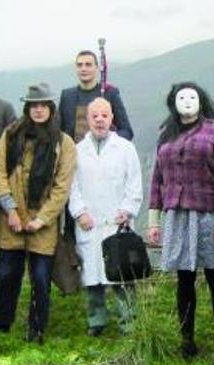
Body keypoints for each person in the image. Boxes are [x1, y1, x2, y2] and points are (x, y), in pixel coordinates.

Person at [147, 82, 214, 358]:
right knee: (184, 278)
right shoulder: (166, 133)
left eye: (192, 96)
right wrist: (153, 220)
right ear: (173, 102)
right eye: (181, 97)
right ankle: (187, 340)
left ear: (201, 100)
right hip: (177, 214)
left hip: (209, 213)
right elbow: (157, 179)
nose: (187, 101)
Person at [0, 83, 76, 343]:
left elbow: (62, 187)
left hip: (44, 221)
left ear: (51, 108)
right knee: (6, 272)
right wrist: (10, 210)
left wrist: (42, 219)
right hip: (11, 219)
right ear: (27, 108)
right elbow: (0, 172)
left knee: (40, 276)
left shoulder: (64, 143)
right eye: (34, 106)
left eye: (43, 105)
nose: (38, 110)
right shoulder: (11, 134)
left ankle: (37, 328)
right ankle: (2, 322)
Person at [69, 98, 143, 336]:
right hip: (89, 223)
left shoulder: (125, 148)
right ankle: (96, 321)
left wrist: (127, 210)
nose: (99, 120)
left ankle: (128, 322)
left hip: (116, 222)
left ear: (112, 118)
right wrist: (79, 212)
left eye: (104, 115)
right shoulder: (78, 151)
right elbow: (72, 186)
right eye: (94, 116)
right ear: (87, 120)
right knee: (92, 276)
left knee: (121, 274)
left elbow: (134, 184)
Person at [59, 50, 133, 143]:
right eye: (79, 65)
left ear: (97, 68)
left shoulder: (110, 94)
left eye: (88, 65)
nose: (83, 69)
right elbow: (59, 132)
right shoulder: (67, 96)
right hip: (74, 154)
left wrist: (109, 142)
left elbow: (126, 131)